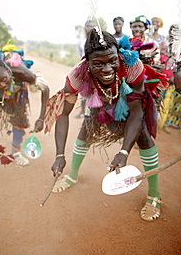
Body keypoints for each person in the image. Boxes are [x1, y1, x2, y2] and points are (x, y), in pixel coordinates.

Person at [44, 28, 168, 222]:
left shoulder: (131, 65)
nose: (108, 69)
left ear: (118, 55)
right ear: (87, 63)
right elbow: (63, 114)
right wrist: (59, 155)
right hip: (101, 99)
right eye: (98, 64)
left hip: (130, 98)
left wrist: (124, 151)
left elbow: (136, 111)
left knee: (143, 136)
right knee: (87, 129)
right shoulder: (78, 74)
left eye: (112, 60)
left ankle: (154, 195)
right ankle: (72, 175)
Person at [75, 20, 95, 118]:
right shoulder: (81, 41)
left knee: (94, 90)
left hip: (95, 69)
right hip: (84, 69)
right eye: (87, 26)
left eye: (91, 26)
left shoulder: (97, 40)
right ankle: (82, 112)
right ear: (84, 27)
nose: (89, 28)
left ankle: (92, 112)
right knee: (82, 91)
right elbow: (80, 54)